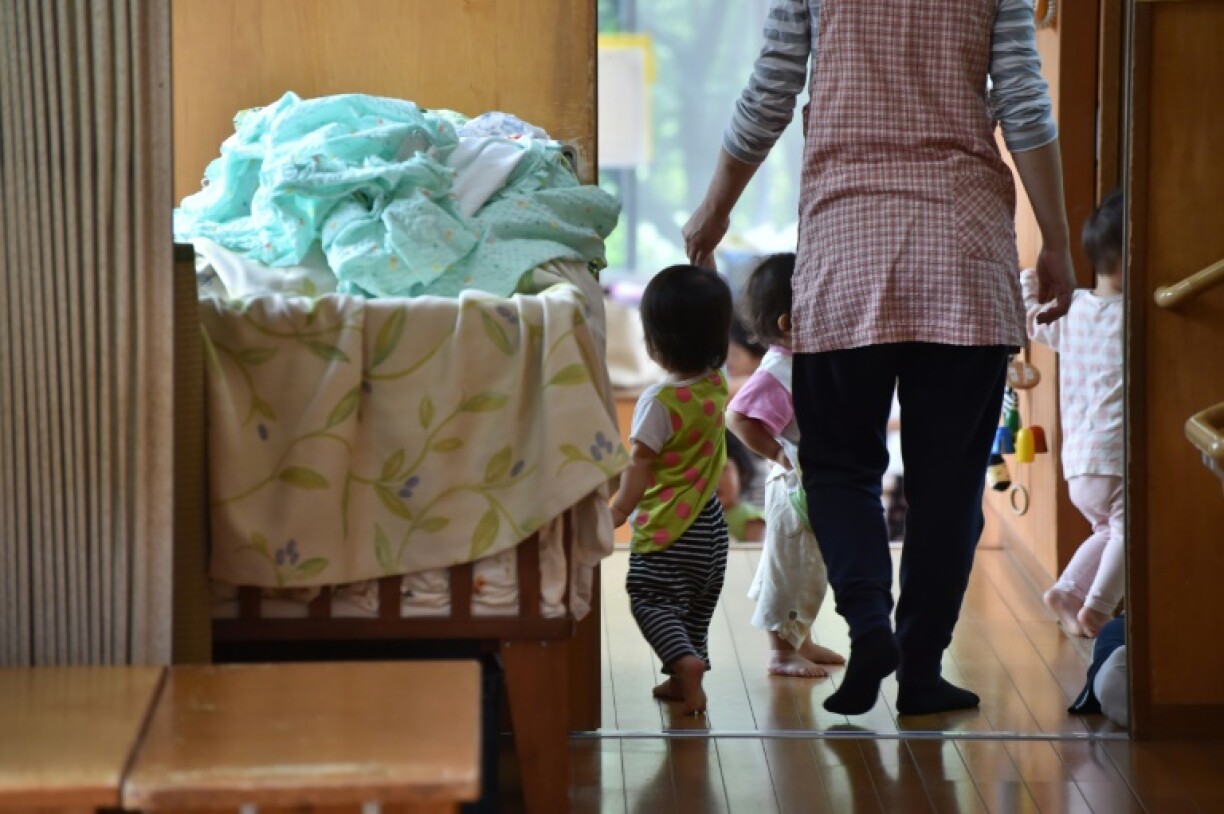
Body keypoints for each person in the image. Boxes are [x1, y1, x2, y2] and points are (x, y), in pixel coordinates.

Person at [683, 0, 1077, 716]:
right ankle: (920, 670)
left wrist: (716, 208)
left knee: (839, 465)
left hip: (847, 246)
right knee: (948, 486)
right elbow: (1022, 98)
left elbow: (771, 88)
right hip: (963, 248)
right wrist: (1055, 238)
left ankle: (869, 625)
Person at [609, 265, 734, 716]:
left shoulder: (658, 403)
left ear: (655, 342)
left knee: (651, 600)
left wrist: (620, 509)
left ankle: (684, 663)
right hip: (711, 530)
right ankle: (685, 677)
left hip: (669, 532)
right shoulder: (716, 385)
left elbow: (640, 463)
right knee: (694, 607)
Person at [726, 253, 846, 678]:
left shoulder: (806, 362)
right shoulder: (779, 370)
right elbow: (738, 417)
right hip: (793, 485)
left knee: (808, 568)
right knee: (790, 569)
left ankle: (802, 640)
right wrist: (779, 453)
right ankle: (781, 653)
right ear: (787, 323)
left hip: (812, 482)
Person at [1027, 191, 1125, 639]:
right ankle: (1098, 609)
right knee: (1126, 531)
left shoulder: (1073, 311)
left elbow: (1031, 318)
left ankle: (1067, 591)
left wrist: (1030, 278)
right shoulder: (1134, 319)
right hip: (1114, 457)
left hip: (1079, 464)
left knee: (1106, 528)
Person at [719, 432, 767, 542]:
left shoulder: (753, 520)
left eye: (724, 470)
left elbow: (754, 556)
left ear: (743, 474)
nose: (715, 481)